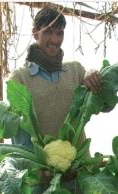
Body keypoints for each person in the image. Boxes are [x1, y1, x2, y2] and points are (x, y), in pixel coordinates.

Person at [9, 7, 102, 147]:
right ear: (35, 33)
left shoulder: (76, 71)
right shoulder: (19, 78)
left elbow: (106, 104)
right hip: (41, 167)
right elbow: (20, 136)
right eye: (48, 32)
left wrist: (94, 76)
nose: (55, 39)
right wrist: (37, 167)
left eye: (60, 33)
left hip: (82, 165)